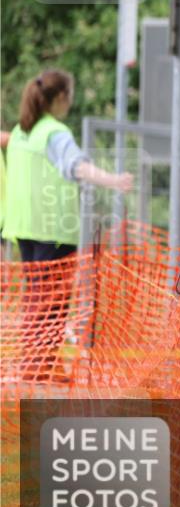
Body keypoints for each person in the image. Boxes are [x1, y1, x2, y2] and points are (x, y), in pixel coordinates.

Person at [3, 69, 133, 382]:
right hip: (52, 231)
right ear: (60, 98)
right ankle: (39, 369)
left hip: (24, 226)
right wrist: (113, 181)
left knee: (37, 298)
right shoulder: (54, 132)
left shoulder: (24, 131)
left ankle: (38, 365)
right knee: (53, 303)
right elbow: (78, 166)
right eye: (70, 95)